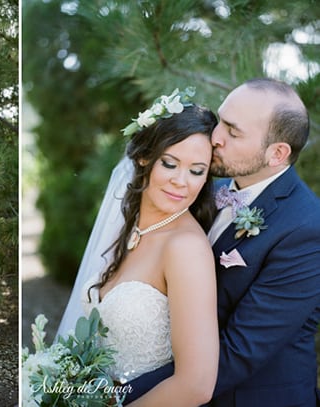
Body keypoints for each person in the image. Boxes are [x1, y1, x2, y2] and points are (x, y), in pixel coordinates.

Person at [124, 79, 320, 406]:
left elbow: (239, 351)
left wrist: (117, 390)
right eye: (220, 121)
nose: (215, 138)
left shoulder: (306, 229)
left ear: (277, 153)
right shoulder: (210, 191)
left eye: (233, 131)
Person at [58, 89, 220, 405]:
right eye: (170, 164)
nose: (181, 181)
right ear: (144, 157)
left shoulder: (186, 248)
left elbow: (196, 385)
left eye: (197, 171)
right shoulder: (131, 227)